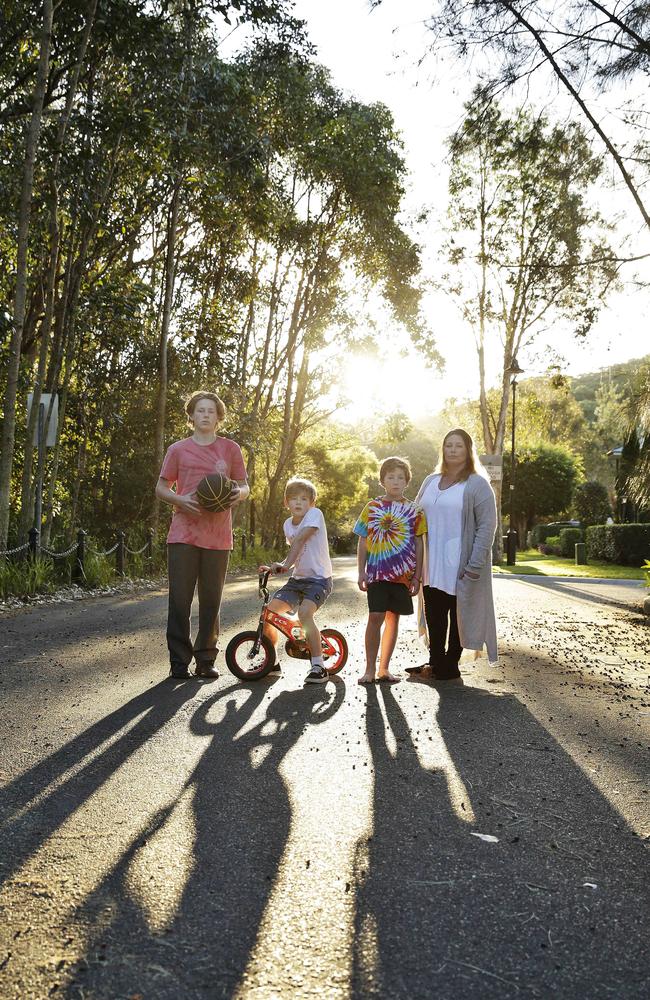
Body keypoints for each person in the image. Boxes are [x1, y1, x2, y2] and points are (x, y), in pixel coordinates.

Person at [155, 390, 249, 679]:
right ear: (191, 416)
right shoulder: (178, 450)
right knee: (180, 600)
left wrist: (239, 495)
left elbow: (245, 486)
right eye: (200, 410)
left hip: (218, 535)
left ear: (218, 417)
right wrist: (180, 500)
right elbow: (161, 488)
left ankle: (206, 660)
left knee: (211, 599)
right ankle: (179, 662)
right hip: (183, 533)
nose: (205, 414)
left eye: (211, 411)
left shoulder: (230, 449)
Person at [409, 428, 497, 681]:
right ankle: (435, 661)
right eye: (449, 445)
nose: (453, 450)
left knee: (459, 613)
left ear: (468, 450)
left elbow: (487, 526)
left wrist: (475, 563)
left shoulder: (477, 484)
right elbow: (415, 516)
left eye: (459, 445)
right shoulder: (430, 481)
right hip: (432, 561)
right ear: (443, 449)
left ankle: (451, 662)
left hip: (461, 561)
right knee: (434, 613)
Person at [355, 456, 426, 685]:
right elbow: (363, 540)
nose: (396, 482)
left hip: (402, 576)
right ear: (382, 481)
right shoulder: (372, 507)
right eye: (391, 477)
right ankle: (369, 669)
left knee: (393, 619)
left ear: (407, 481)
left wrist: (417, 575)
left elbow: (418, 543)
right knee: (375, 616)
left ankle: (384, 669)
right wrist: (361, 571)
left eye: (400, 478)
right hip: (377, 573)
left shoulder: (415, 511)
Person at [263, 477, 333, 685]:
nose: (299, 502)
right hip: (297, 580)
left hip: (319, 580)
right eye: (293, 499)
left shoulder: (315, 515)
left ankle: (319, 665)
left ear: (311, 503)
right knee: (269, 613)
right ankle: (271, 661)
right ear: (286, 503)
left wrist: (284, 563)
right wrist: (276, 567)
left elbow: (301, 540)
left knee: (304, 614)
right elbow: (296, 551)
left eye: (304, 498)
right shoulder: (287, 524)